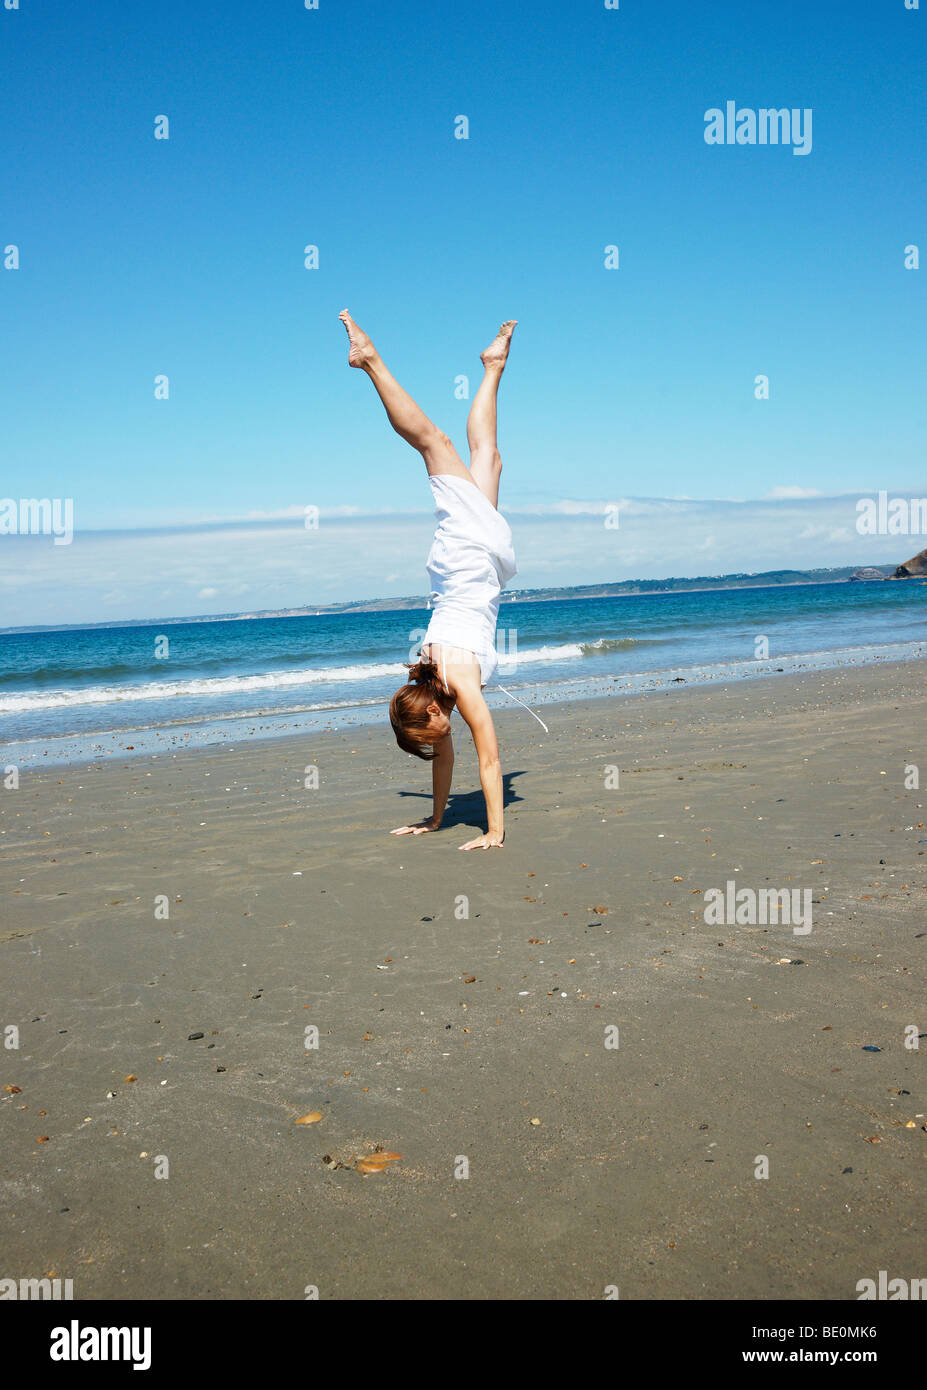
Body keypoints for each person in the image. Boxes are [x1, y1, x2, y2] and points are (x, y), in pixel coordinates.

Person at [339, 309, 518, 850]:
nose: (443, 746)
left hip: (465, 559)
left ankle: (369, 361)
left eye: (436, 733)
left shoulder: (457, 682)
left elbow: (488, 756)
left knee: (434, 443)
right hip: (479, 565)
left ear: (434, 710)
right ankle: (493, 367)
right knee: (490, 458)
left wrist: (494, 833)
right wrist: (435, 819)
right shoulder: (434, 689)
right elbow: (447, 760)